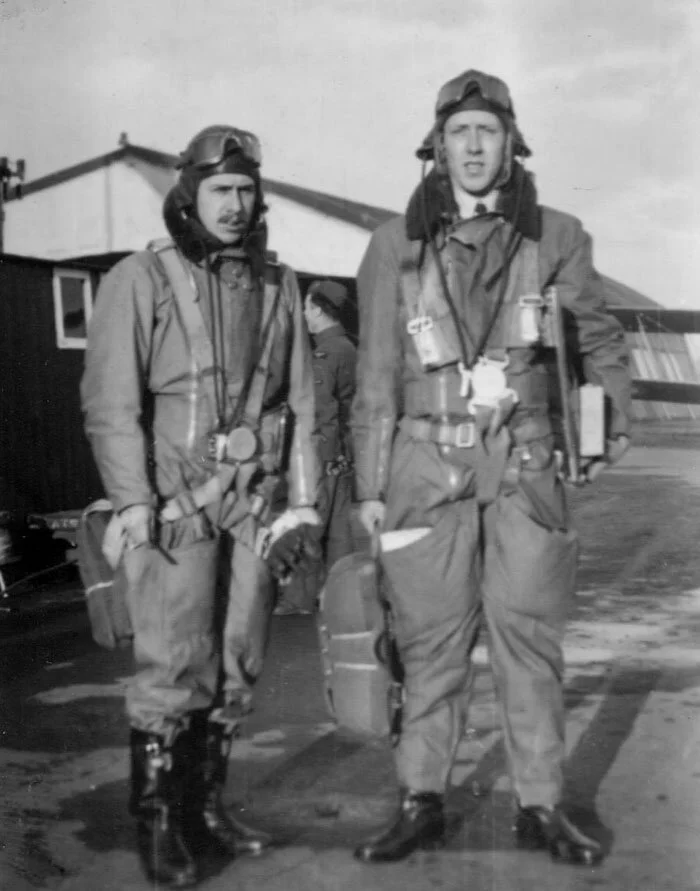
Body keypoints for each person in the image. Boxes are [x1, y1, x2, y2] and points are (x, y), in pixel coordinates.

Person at [350, 70, 631, 866]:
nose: (473, 148)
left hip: (525, 462)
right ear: (436, 146)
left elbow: (601, 345)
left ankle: (541, 804)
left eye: (488, 131)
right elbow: (374, 373)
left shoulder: (558, 235)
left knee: (529, 641)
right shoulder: (391, 244)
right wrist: (369, 489)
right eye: (459, 133)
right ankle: (420, 798)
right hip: (422, 466)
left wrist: (598, 433)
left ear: (512, 142)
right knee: (430, 641)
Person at [81, 125, 320, 887]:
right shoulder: (139, 279)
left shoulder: (280, 285)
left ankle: (204, 807)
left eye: (247, 190)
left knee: (238, 660)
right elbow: (111, 406)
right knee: (172, 665)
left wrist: (306, 504)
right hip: (174, 508)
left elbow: (305, 404)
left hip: (251, 507)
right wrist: (133, 504)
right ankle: (158, 821)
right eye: (221, 189)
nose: (236, 205)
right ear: (189, 193)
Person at [274, 279, 358, 615]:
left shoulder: (325, 353)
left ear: (320, 311)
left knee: (309, 523)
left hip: (323, 451)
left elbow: (317, 409)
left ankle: (299, 598)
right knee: (340, 533)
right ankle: (343, 595)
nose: (304, 314)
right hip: (343, 453)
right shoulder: (350, 347)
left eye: (307, 307)